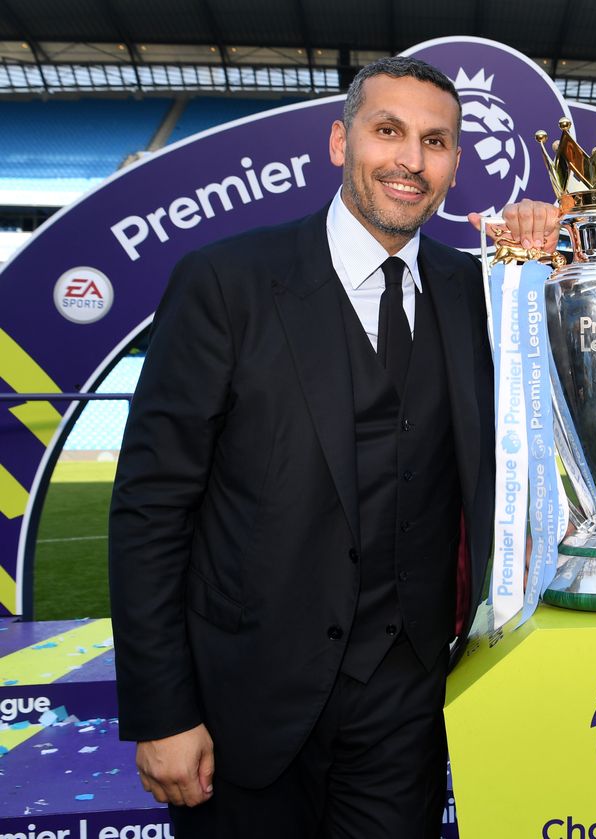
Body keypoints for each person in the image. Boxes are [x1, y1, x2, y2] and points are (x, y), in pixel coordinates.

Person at [108, 57, 497, 838]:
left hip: (405, 706)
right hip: (243, 710)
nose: (411, 160)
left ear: (456, 164)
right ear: (338, 141)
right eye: (388, 131)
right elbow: (152, 508)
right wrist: (162, 711)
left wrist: (541, 248)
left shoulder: (479, 291)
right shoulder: (225, 283)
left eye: (436, 141)